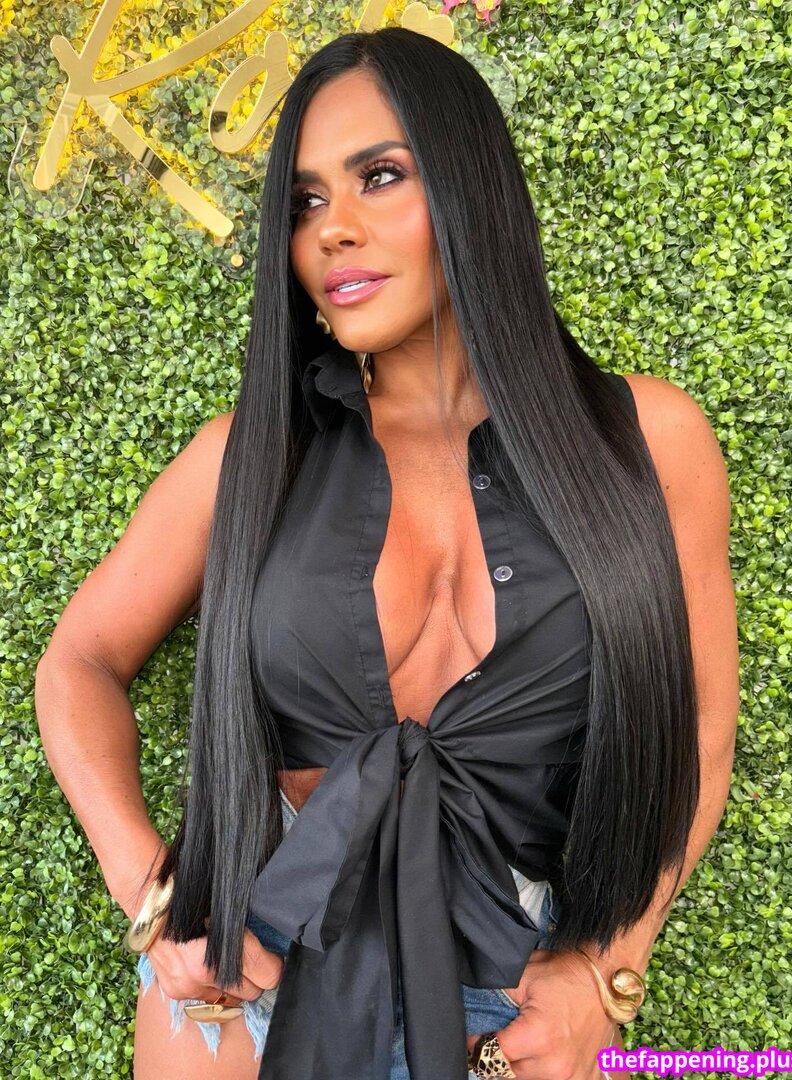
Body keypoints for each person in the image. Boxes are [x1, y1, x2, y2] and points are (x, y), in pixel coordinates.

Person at [35, 26, 740, 1080]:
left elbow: (699, 727)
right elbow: (78, 662)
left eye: (379, 176)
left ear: (469, 185)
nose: (333, 229)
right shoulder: (247, 459)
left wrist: (608, 970)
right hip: (247, 990)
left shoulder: (648, 442)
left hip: (510, 1003)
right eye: (305, 201)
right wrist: (152, 893)